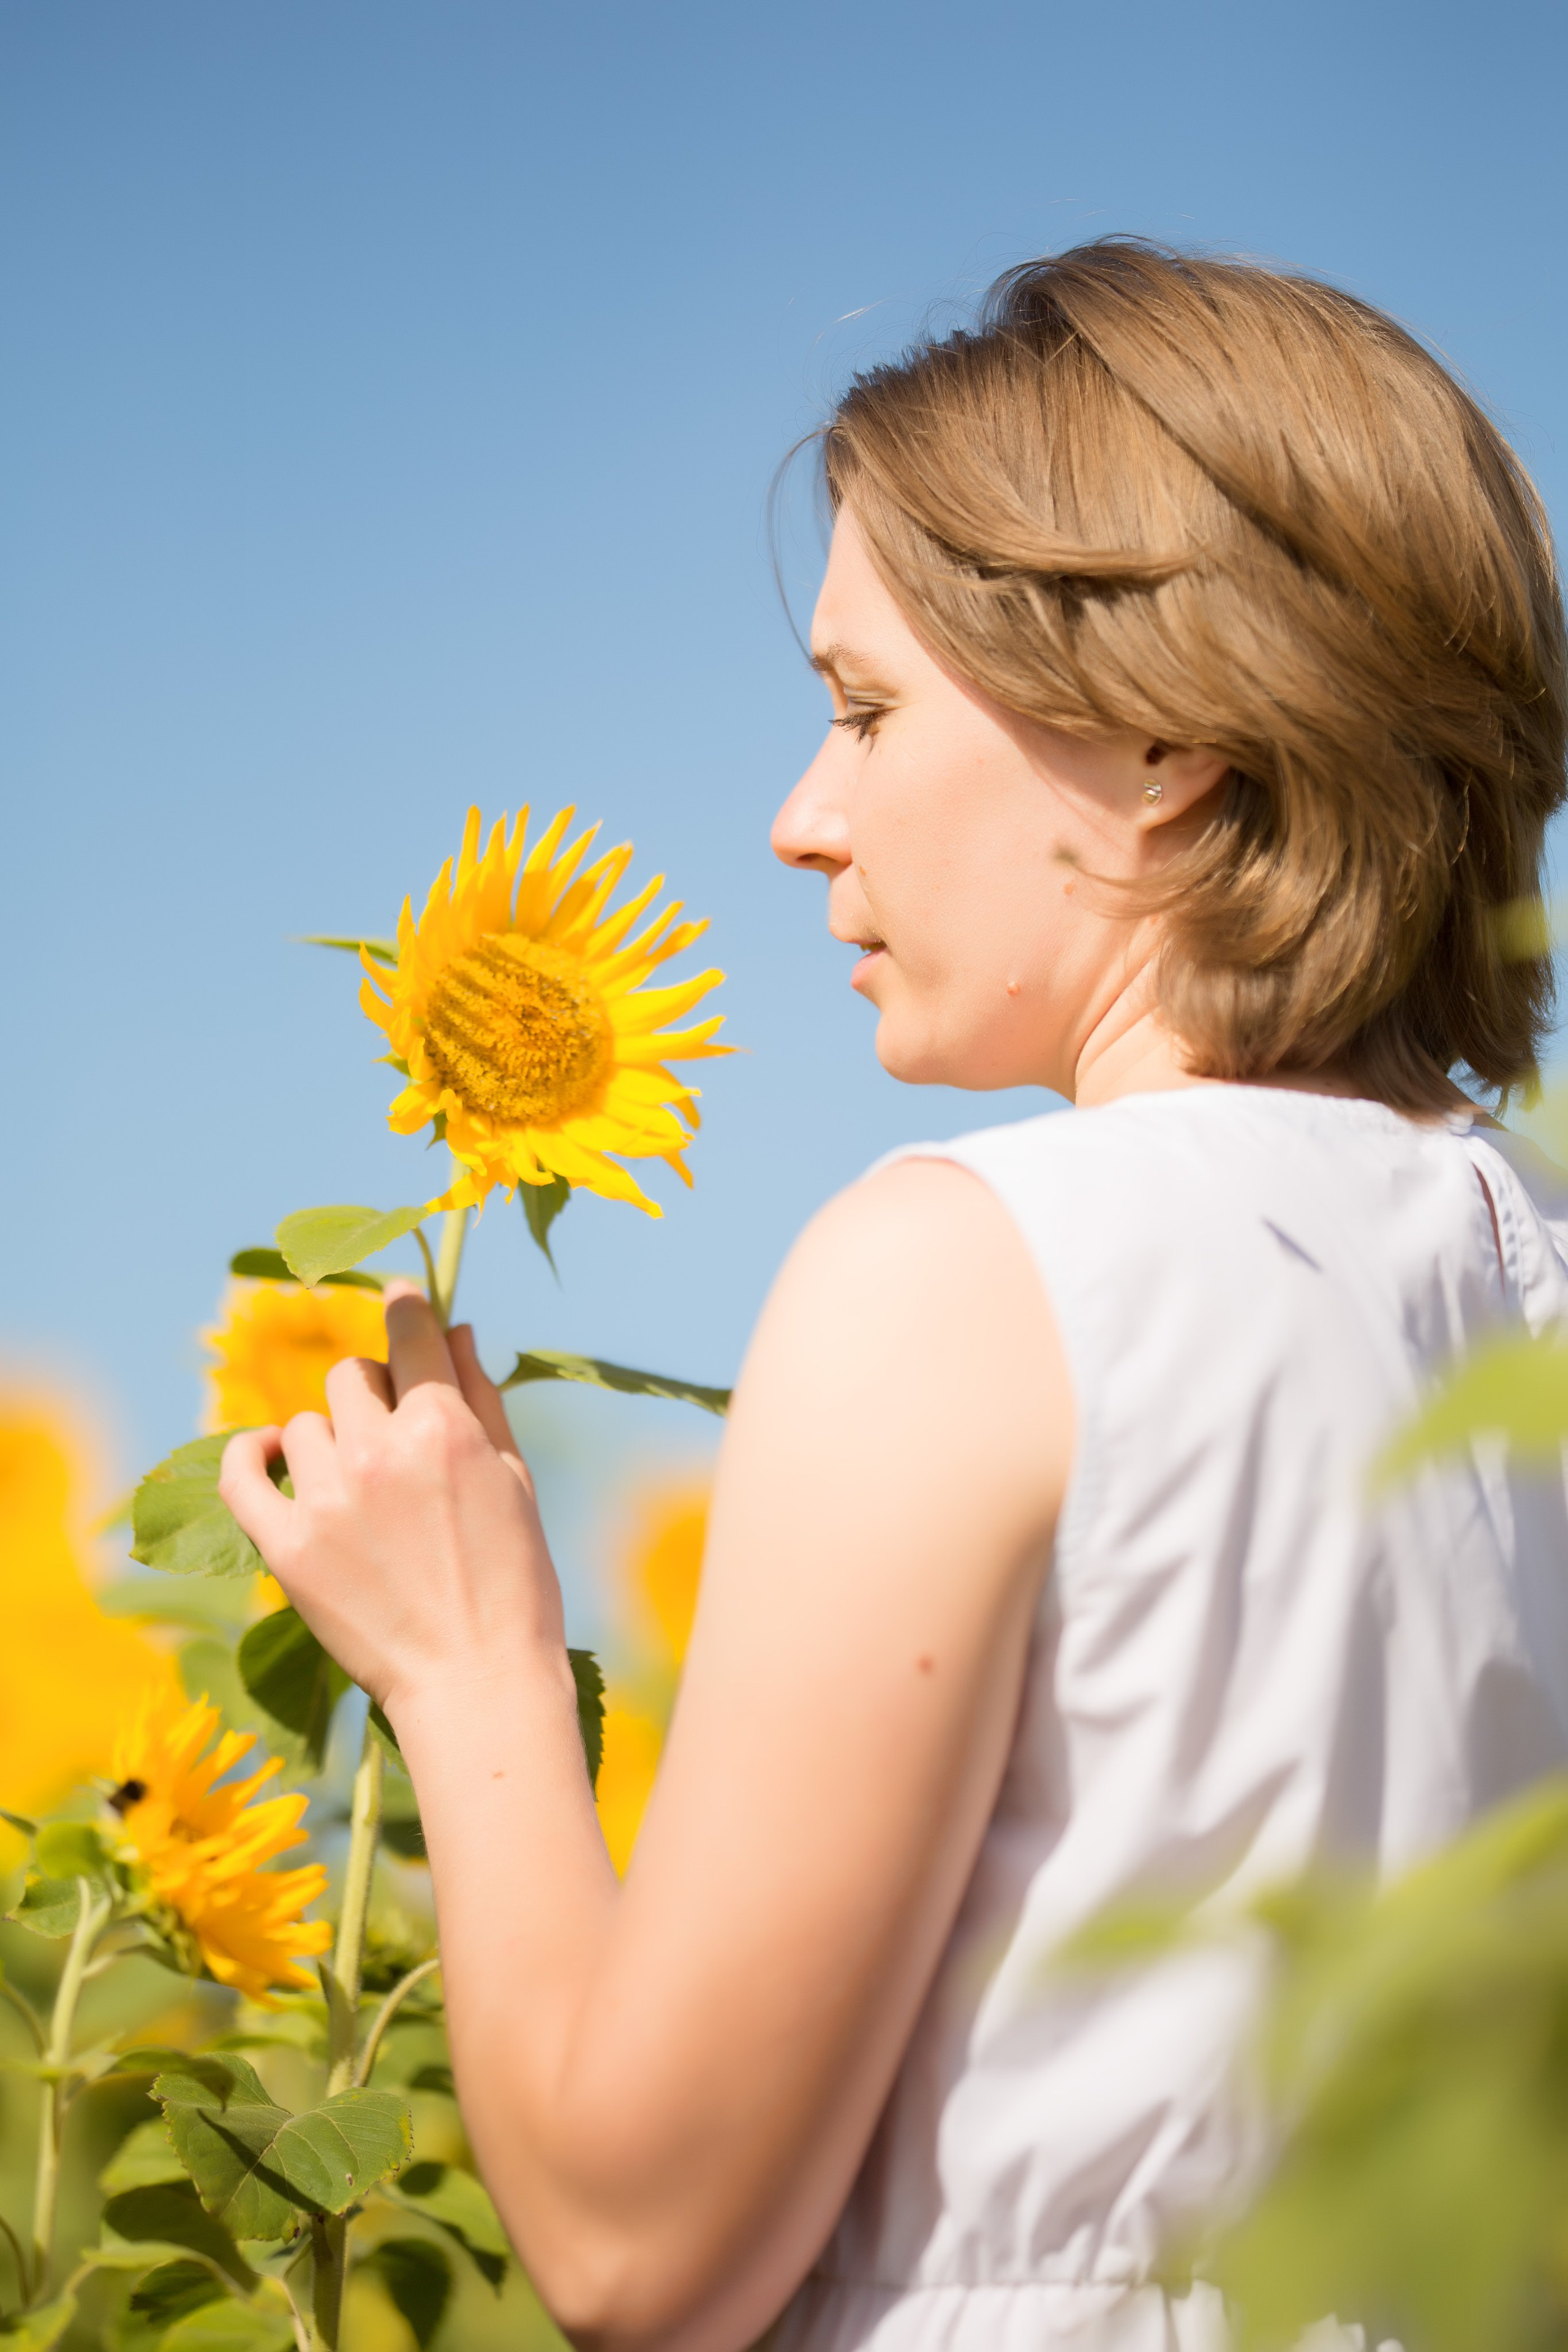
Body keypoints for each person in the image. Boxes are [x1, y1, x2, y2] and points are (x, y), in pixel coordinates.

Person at [221, 239, 1568, 2352]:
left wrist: (471, 1662)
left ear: (1166, 745)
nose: (799, 819)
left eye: (865, 709)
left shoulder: (967, 1269)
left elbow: (643, 2247)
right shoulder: (1528, 1290)